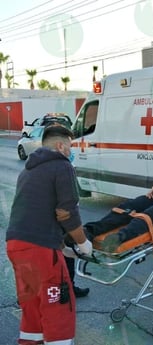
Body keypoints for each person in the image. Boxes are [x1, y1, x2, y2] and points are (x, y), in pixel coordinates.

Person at [6, 125, 93, 345]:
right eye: (70, 147)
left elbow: (36, 211)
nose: (70, 152)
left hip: (16, 245)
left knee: (32, 305)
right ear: (60, 145)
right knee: (58, 304)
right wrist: (83, 244)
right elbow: (67, 213)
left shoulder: (28, 170)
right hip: (40, 250)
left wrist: (61, 245)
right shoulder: (62, 166)